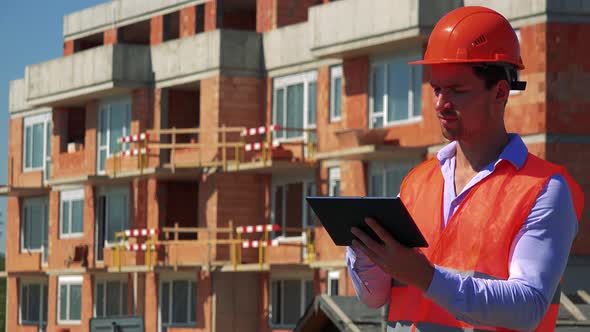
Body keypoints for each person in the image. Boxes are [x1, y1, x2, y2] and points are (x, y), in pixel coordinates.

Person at [347, 6, 584, 332]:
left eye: (457, 90)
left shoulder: (544, 189)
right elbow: (374, 298)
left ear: (500, 91)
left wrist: (424, 275)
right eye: (436, 89)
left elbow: (528, 306)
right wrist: (366, 253)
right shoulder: (417, 183)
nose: (441, 103)